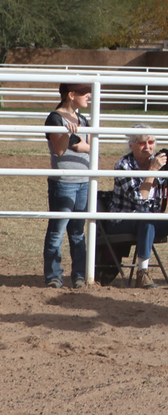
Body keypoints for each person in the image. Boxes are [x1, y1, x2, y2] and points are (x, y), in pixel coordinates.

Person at [109, 125, 168, 290]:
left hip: (150, 219)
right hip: (123, 219)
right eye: (142, 143)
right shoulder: (123, 165)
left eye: (151, 142)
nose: (148, 147)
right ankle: (142, 273)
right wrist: (152, 170)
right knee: (146, 217)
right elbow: (138, 199)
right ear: (131, 145)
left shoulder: (160, 165)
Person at [43, 83, 93, 289]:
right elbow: (60, 150)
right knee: (57, 230)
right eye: (84, 93)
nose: (88, 97)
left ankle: (79, 275)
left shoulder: (83, 119)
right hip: (63, 183)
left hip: (83, 182)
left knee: (77, 231)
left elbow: (92, 147)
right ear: (71, 95)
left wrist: (81, 144)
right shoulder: (55, 118)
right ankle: (54, 276)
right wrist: (69, 137)